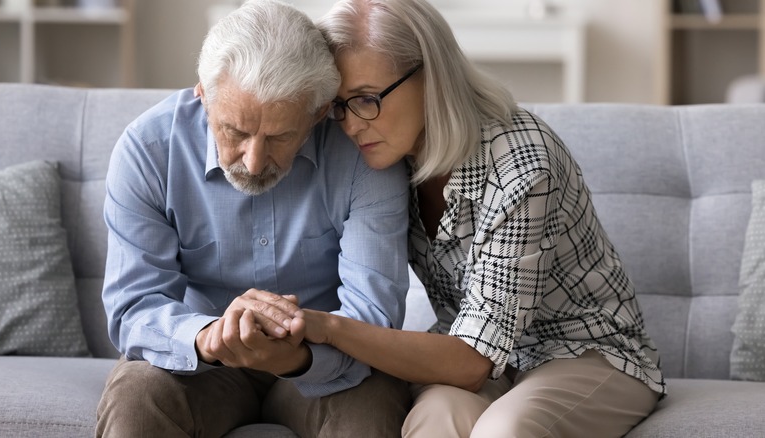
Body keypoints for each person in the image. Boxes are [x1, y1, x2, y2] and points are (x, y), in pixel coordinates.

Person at [249, 0, 668, 437]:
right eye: (339, 106)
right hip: (473, 349)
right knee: (433, 424)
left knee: (505, 431)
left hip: (585, 350)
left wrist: (328, 326)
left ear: (432, 76)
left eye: (367, 99)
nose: (352, 126)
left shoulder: (522, 166)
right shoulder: (385, 156)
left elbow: (472, 363)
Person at [95, 1, 412, 436]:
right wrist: (208, 336)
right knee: (138, 394)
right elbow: (133, 307)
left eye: (280, 136)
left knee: (371, 406)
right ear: (203, 94)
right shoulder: (148, 151)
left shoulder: (362, 156)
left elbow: (374, 316)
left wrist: (296, 356)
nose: (255, 160)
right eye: (235, 131)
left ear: (318, 113)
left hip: (325, 362)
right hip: (201, 364)